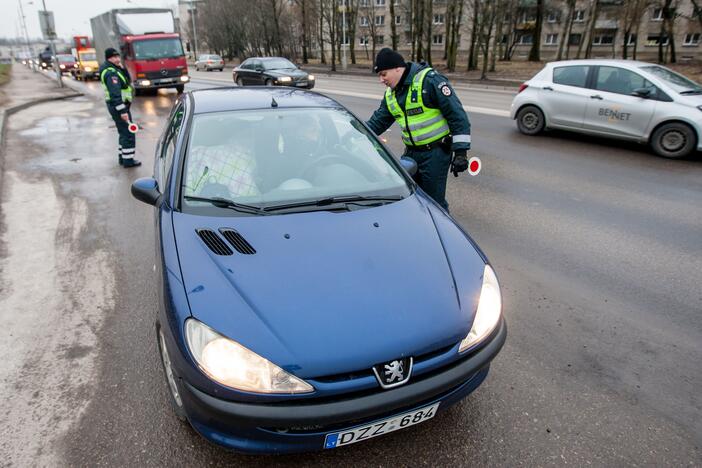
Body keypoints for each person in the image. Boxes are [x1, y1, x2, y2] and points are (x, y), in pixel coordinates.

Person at [365, 48, 471, 211]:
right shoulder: (391, 94)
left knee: (433, 203)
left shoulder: (429, 81)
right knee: (409, 197)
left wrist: (461, 152)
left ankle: (442, 231)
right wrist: (355, 135)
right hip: (412, 153)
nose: (381, 80)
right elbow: (377, 122)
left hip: (435, 153)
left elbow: (457, 116)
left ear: (397, 68)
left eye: (383, 74)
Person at [99, 48, 141, 167]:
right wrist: (122, 111)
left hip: (118, 106)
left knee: (123, 132)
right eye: (114, 57)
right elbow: (115, 94)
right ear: (108, 58)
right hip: (119, 107)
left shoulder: (115, 69)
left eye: (118, 57)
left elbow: (127, 81)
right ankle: (128, 160)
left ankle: (123, 158)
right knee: (128, 133)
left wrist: (123, 68)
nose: (117, 59)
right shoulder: (111, 73)